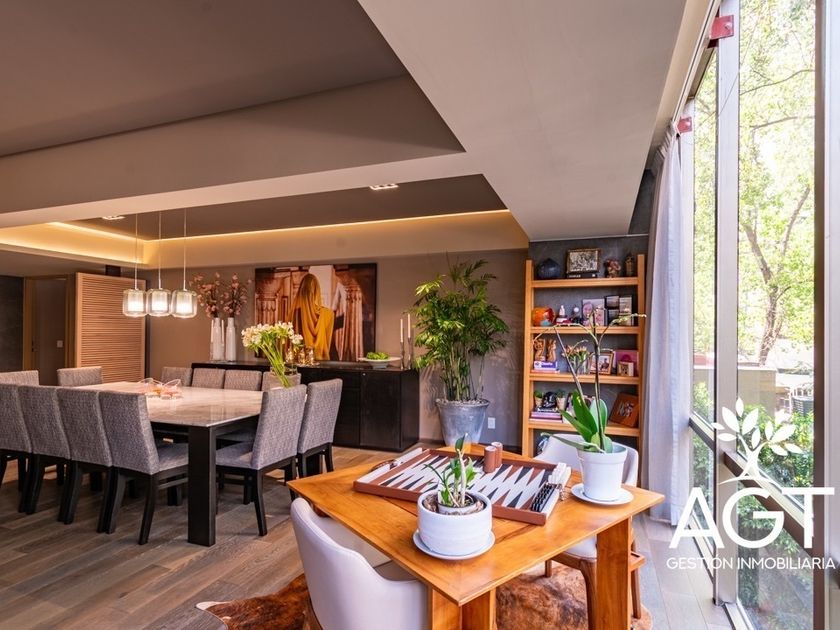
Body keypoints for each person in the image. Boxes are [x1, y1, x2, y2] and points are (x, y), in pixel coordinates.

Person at [290, 273, 335, 361]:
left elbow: (289, 344)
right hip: (322, 364)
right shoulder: (328, 314)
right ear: (316, 291)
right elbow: (331, 345)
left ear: (301, 291)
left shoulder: (295, 313)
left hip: (299, 362)